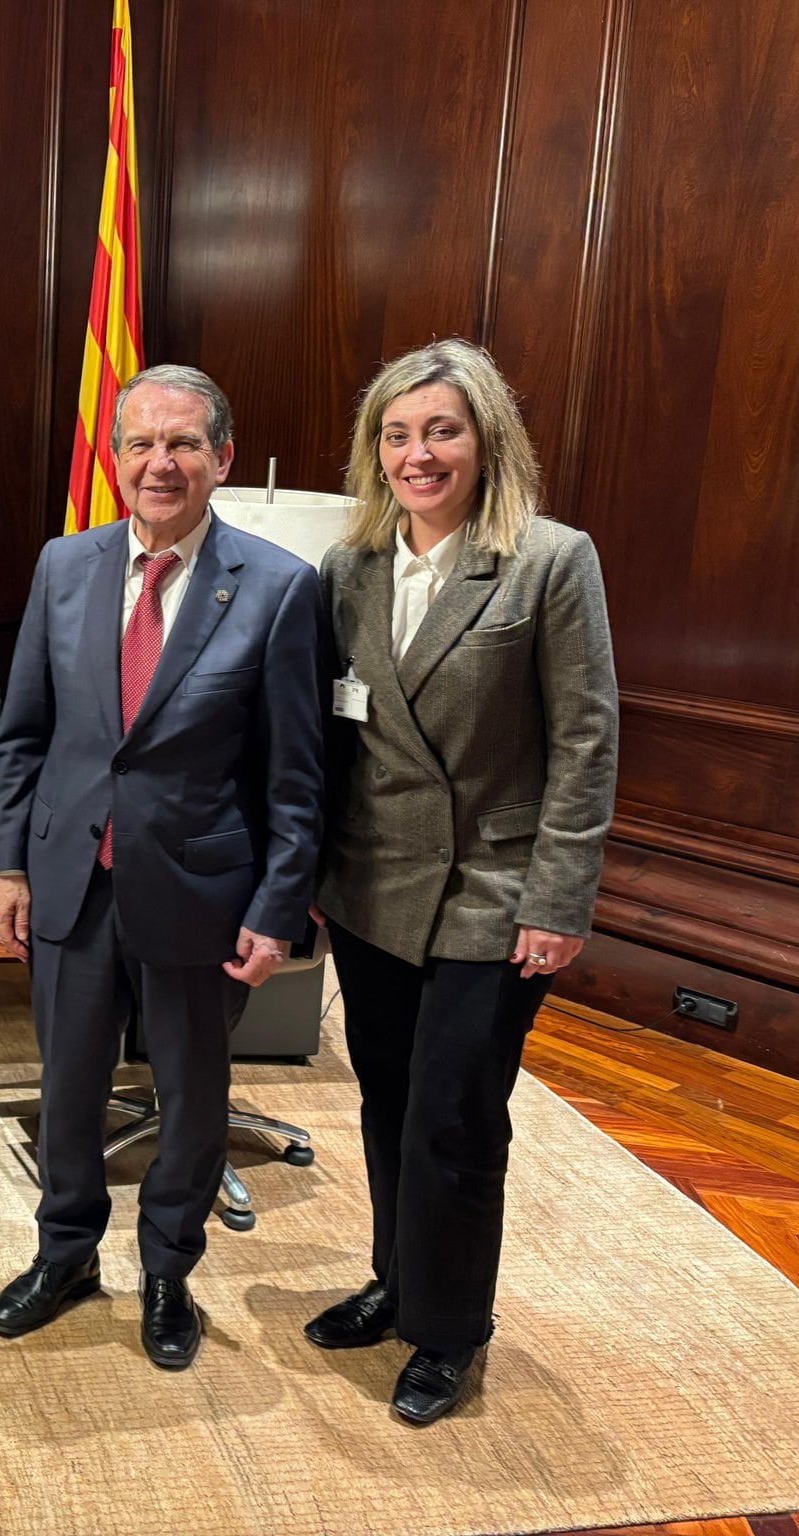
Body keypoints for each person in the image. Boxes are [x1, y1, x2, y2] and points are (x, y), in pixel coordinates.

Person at [0, 363, 323, 1370]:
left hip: (201, 894)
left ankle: (168, 1269)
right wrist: (8, 865)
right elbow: (21, 735)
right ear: (114, 455)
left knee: (188, 1096)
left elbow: (294, 774)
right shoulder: (63, 565)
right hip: (71, 883)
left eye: (182, 444)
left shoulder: (276, 587)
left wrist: (279, 905)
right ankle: (65, 1254)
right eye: (139, 442)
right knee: (69, 1084)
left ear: (221, 457)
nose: (158, 463)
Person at [304, 337, 618, 1425]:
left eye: (439, 430)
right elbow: (330, 741)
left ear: (485, 440)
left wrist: (557, 900)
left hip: (492, 891)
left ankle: (448, 1330)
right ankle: (398, 1282)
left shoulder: (546, 560)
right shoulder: (348, 569)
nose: (416, 454)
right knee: (387, 1102)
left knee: (453, 1117)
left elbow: (584, 739)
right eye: (395, 434)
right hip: (372, 889)